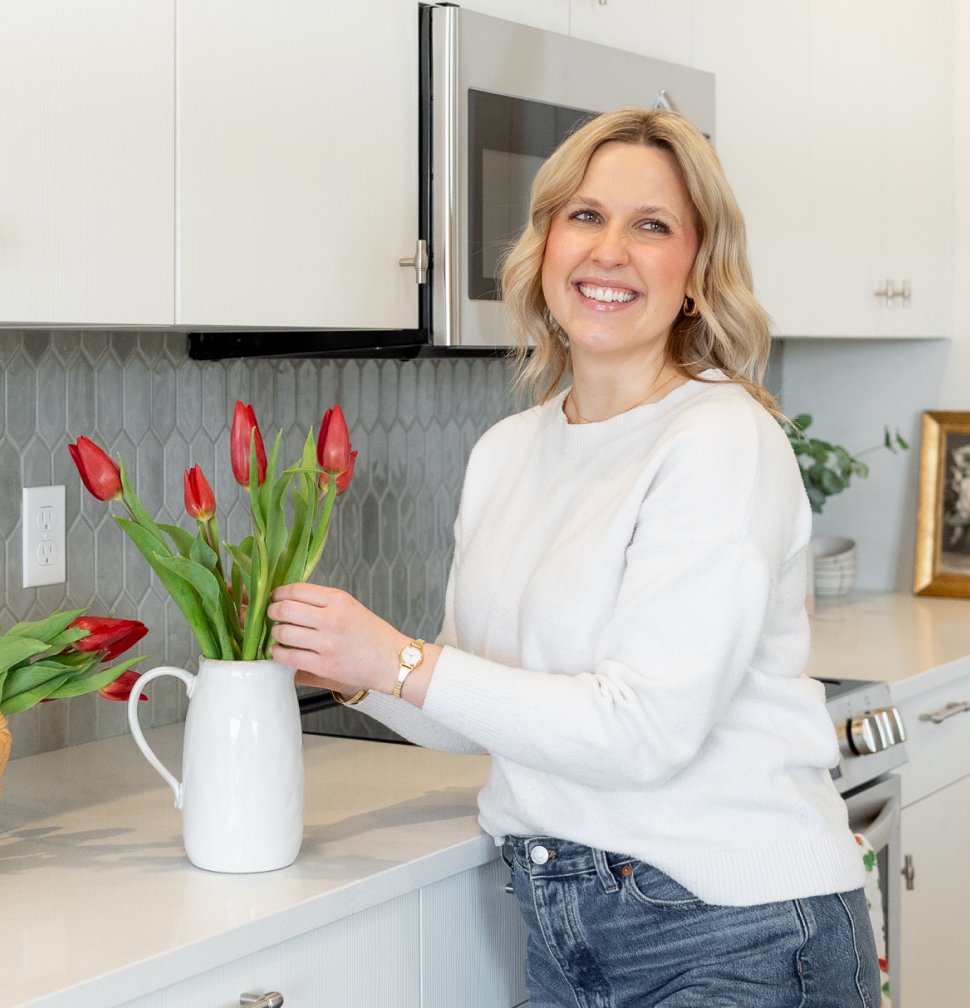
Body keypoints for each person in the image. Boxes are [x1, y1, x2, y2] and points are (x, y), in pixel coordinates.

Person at [266, 107, 879, 1008]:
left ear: (699, 272)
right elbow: (482, 702)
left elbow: (642, 731)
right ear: (546, 244)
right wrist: (355, 669)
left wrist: (400, 661)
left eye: (653, 226)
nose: (610, 250)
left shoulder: (719, 440)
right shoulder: (507, 451)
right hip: (568, 930)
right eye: (585, 216)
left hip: (735, 932)